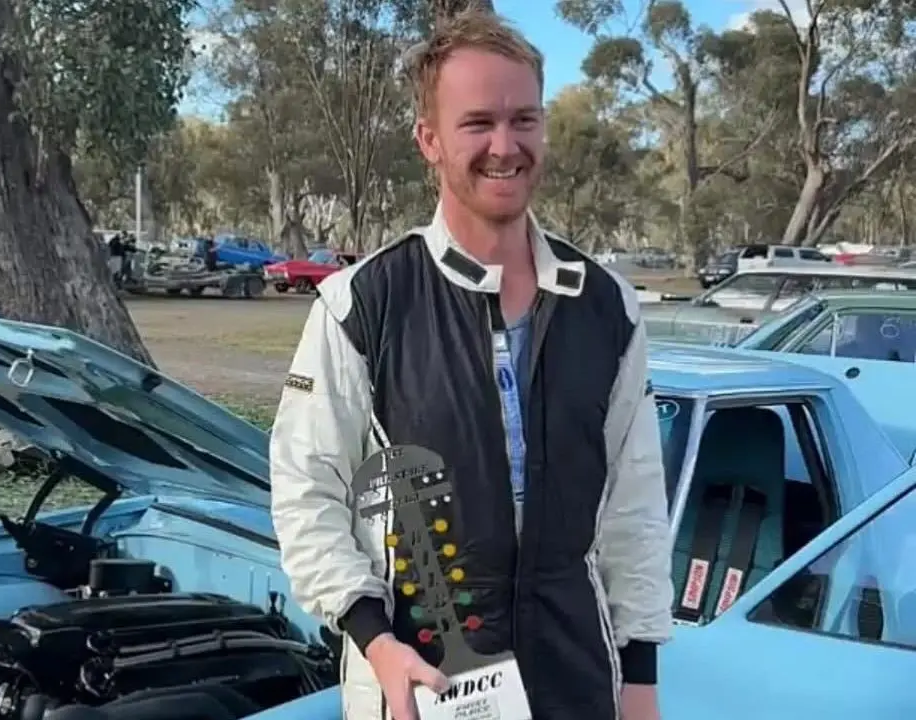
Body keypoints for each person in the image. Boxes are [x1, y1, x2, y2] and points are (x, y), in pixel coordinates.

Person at [269, 11, 671, 720]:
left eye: (524, 120)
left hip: (575, 684)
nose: (504, 146)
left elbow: (634, 509)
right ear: (429, 139)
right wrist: (378, 644)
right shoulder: (361, 305)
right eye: (477, 122)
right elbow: (308, 495)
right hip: (423, 688)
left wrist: (639, 680)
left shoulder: (607, 308)